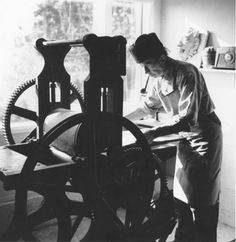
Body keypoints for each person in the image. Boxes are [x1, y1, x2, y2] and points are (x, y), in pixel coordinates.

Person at [126, 33, 222, 242]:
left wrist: (154, 132)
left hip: (204, 137)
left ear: (162, 58)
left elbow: (187, 118)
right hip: (184, 138)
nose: (146, 71)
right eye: (142, 65)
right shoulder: (159, 78)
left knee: (202, 200)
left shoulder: (187, 73)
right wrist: (120, 121)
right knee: (182, 198)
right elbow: (147, 106)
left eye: (148, 64)